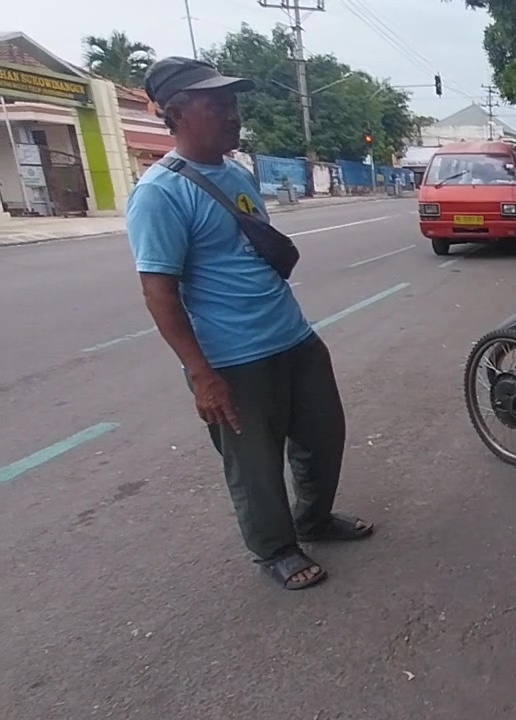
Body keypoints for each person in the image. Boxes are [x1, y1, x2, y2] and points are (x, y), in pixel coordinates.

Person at [126, 57, 372, 591]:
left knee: (323, 436)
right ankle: (275, 548)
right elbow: (158, 293)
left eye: (232, 102)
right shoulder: (159, 194)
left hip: (293, 336)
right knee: (254, 465)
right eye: (216, 104)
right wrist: (202, 375)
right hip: (233, 359)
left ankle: (313, 519)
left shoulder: (237, 173)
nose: (232, 114)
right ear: (176, 113)